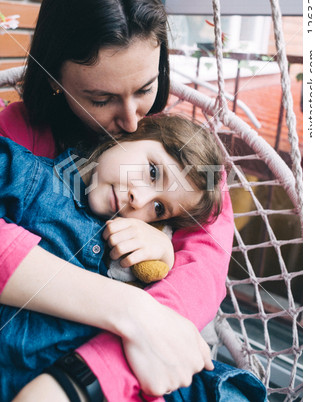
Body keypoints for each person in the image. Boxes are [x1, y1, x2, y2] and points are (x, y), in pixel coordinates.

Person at [0, 0, 234, 402]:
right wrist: (129, 309)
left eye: (146, 88)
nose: (131, 120)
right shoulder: (15, 138)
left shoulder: (182, 156)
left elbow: (200, 274)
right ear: (53, 79)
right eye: (101, 98)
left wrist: (84, 378)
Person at [0, 113, 223, 401]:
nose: (139, 200)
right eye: (153, 172)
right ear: (128, 136)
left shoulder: (133, 246)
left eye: (158, 208)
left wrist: (165, 251)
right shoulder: (28, 177)